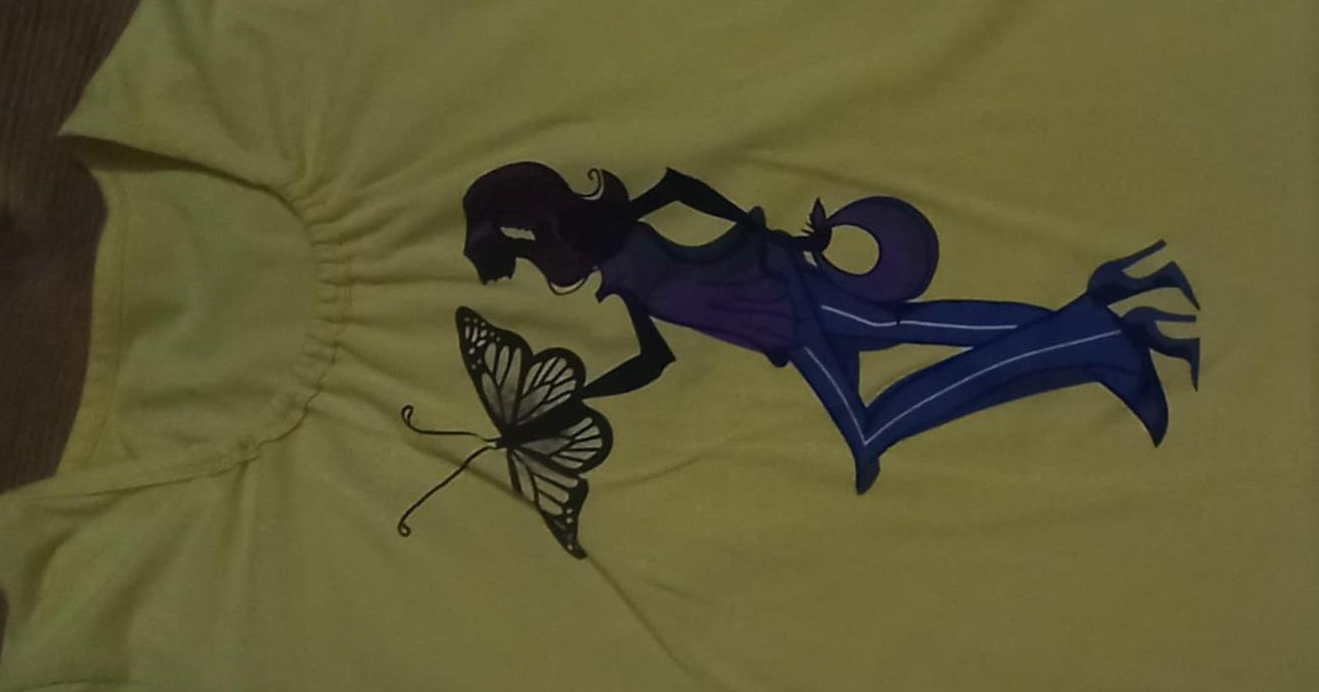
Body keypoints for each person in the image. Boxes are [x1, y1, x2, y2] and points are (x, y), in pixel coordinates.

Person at [462, 162, 1198, 491]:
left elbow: (676, 203)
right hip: (776, 299)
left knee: (871, 433)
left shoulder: (609, 251)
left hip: (781, 304)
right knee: (917, 326)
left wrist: (580, 395)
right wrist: (582, 392)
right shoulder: (610, 245)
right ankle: (1100, 321)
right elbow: (656, 347)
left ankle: (1092, 335)